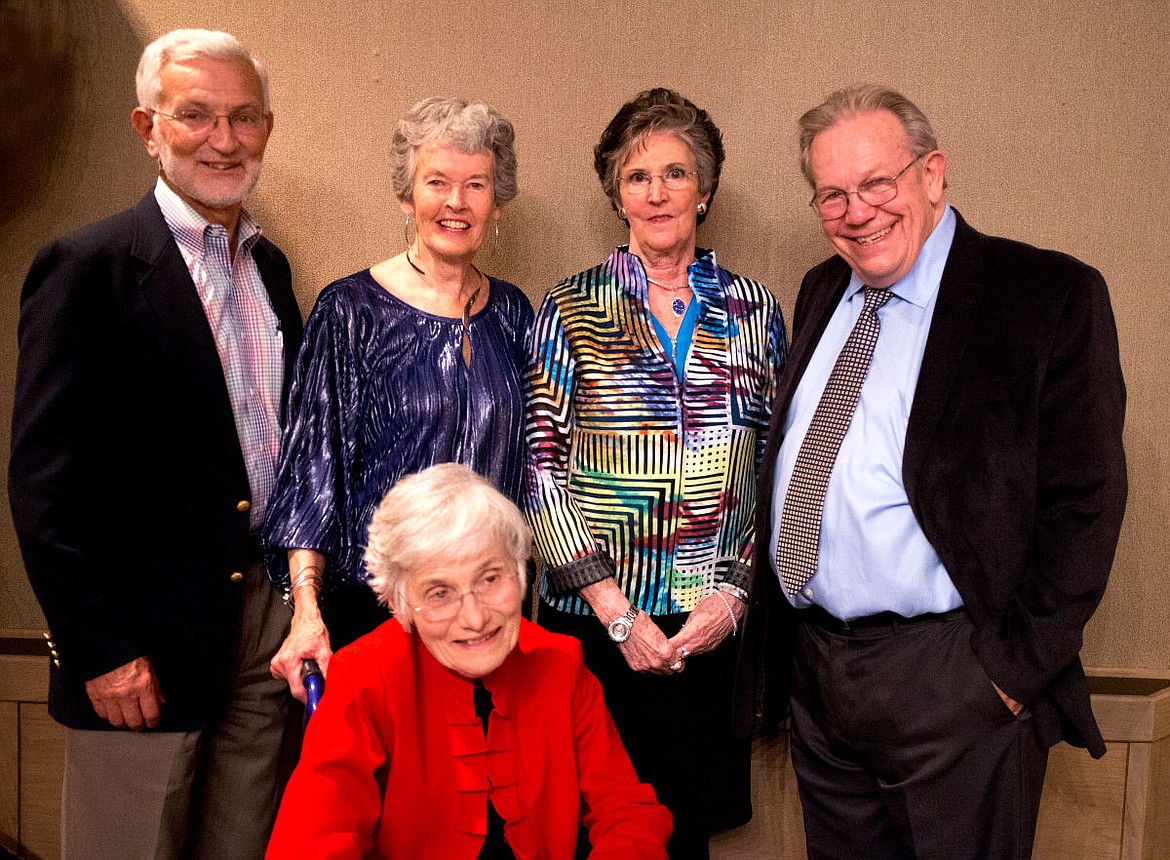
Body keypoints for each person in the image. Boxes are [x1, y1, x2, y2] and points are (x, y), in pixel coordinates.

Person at [738, 84, 1127, 859]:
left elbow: (1085, 504)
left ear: (932, 174)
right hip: (819, 674)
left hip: (953, 676)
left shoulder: (1044, 294)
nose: (858, 212)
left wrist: (1006, 675)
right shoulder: (822, 290)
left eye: (878, 183)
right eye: (832, 195)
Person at [8, 29, 304, 858]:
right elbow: (43, 486)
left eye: (244, 118)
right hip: (137, 644)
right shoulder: (87, 267)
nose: (224, 138)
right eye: (196, 115)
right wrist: (102, 648)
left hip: (262, 628)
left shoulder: (269, 268)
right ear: (148, 128)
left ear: (267, 130)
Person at [524, 87, 787, 859]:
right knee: (598, 827)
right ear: (617, 194)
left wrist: (735, 597)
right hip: (599, 633)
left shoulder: (754, 311)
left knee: (687, 833)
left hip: (709, 631)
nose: (658, 192)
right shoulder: (571, 307)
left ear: (704, 189)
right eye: (638, 177)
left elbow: (773, 467)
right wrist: (615, 613)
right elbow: (541, 470)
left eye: (676, 173)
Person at [263, 97, 532, 701]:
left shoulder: (513, 313)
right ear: (408, 195)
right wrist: (306, 610)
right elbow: (312, 472)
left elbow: (535, 469)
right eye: (437, 181)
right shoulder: (351, 311)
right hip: (378, 614)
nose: (456, 202)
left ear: (497, 200)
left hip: (487, 623)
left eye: (476, 184)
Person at [266, 463, 672, 859]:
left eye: (490, 578)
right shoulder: (364, 676)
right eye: (440, 592)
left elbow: (626, 812)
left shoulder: (559, 662)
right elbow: (311, 843)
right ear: (399, 601)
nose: (475, 619)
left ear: (520, 574)